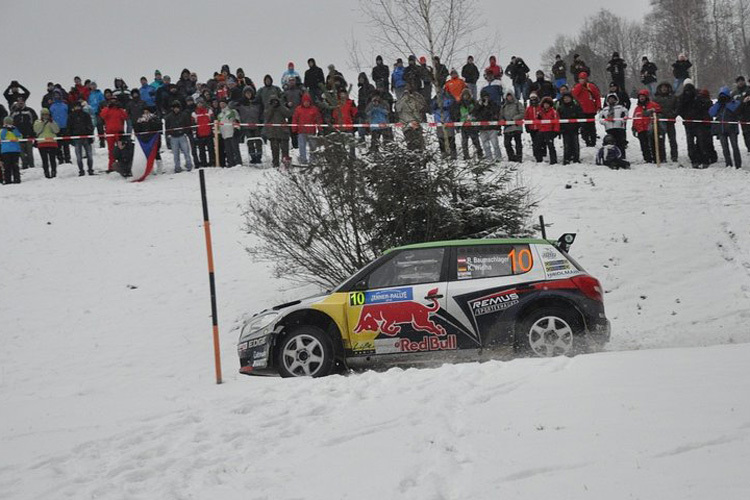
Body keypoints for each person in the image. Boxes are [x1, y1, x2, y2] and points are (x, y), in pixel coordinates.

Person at [677, 83, 713, 168]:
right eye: (686, 91)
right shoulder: (682, 99)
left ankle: (704, 160)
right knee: (691, 144)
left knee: (701, 142)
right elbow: (679, 110)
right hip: (689, 124)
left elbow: (707, 105)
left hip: (698, 123)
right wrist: (685, 117)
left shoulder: (698, 98)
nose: (688, 93)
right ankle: (694, 160)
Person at [709, 87, 742, 169]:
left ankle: (738, 164)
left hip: (732, 129)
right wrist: (718, 103)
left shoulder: (734, 102)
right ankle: (728, 164)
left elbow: (736, 109)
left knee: (735, 146)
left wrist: (728, 103)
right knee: (725, 148)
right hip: (721, 129)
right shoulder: (718, 104)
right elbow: (711, 113)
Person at [571, 72, 601, 147]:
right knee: (583, 127)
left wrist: (598, 106)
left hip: (591, 110)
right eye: (580, 79)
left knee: (591, 127)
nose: (581, 80)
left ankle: (593, 141)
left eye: (583, 79)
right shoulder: (577, 87)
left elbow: (597, 96)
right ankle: (586, 140)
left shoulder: (591, 86)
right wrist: (580, 86)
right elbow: (573, 95)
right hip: (581, 111)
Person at [452, 88, 483, 160]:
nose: (465, 96)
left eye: (467, 95)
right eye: (464, 95)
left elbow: (478, 112)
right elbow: (457, 114)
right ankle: (466, 155)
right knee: (464, 142)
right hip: (463, 124)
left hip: (472, 124)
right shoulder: (459, 104)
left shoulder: (474, 103)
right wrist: (457, 125)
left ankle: (480, 154)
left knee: (475, 141)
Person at [632, 89, 662, 164]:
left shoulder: (652, 105)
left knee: (653, 144)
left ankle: (656, 158)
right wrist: (634, 127)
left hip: (650, 128)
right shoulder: (637, 108)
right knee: (643, 145)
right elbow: (635, 118)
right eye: (640, 96)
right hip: (640, 129)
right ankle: (647, 159)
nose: (641, 98)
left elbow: (659, 111)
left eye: (643, 96)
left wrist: (652, 111)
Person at [236, 87, 263, 164]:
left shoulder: (257, 102)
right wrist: (237, 101)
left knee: (258, 142)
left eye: (249, 93)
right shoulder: (241, 104)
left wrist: (261, 121)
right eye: (246, 93)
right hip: (246, 126)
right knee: (250, 143)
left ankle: (259, 156)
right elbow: (231, 106)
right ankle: (253, 157)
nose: (248, 94)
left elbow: (261, 112)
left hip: (256, 124)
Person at [292, 93, 323, 163]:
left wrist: (320, 128)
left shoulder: (314, 109)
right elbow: (295, 119)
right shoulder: (298, 109)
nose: (306, 103)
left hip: (311, 131)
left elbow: (318, 119)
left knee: (313, 147)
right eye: (305, 102)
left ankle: (313, 160)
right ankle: (303, 160)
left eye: (308, 102)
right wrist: (294, 129)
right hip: (301, 131)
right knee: (302, 147)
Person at [164, 100, 194, 172]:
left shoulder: (184, 115)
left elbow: (187, 125)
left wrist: (186, 132)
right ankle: (177, 167)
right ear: (172, 108)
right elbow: (167, 127)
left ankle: (189, 165)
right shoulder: (168, 117)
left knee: (186, 151)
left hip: (182, 136)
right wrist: (168, 135)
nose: (176, 109)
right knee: (175, 153)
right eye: (174, 107)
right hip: (173, 137)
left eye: (177, 107)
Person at [395, 85, 427, 150]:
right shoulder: (400, 101)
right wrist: (404, 99)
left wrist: (416, 98)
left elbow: (422, 107)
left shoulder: (415, 100)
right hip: (406, 125)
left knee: (420, 142)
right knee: (411, 143)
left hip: (416, 124)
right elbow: (398, 108)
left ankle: (422, 155)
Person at [653, 82, 679, 162]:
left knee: (672, 140)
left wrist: (673, 115)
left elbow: (677, 108)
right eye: (662, 87)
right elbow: (653, 109)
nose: (664, 89)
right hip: (660, 122)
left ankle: (674, 156)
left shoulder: (673, 98)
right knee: (661, 140)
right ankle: (662, 157)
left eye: (665, 87)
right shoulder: (656, 99)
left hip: (670, 121)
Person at [264, 95, 292, 168]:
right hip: (273, 132)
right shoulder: (268, 109)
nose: (275, 103)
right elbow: (267, 117)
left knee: (285, 149)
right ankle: (275, 164)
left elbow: (288, 114)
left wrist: (280, 106)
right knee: (274, 150)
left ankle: (286, 163)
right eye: (273, 101)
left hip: (283, 132)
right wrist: (271, 108)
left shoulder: (282, 107)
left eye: (276, 101)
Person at [99, 99, 128, 171]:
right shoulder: (106, 109)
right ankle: (111, 166)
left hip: (119, 132)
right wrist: (108, 108)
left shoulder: (120, 110)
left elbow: (125, 116)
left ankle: (122, 165)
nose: (113, 103)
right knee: (111, 150)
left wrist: (120, 108)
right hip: (110, 133)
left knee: (121, 149)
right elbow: (102, 115)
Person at [597, 93, 628, 159]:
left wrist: (623, 120)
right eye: (610, 99)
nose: (611, 100)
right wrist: (605, 122)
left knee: (620, 143)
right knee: (610, 143)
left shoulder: (620, 107)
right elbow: (600, 118)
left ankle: (622, 156)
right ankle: (611, 155)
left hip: (619, 127)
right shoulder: (605, 109)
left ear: (616, 99)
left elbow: (626, 113)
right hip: (609, 128)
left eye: (613, 99)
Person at [134, 108, 163, 175]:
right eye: (144, 112)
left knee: (157, 154)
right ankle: (150, 169)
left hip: (155, 139)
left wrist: (151, 121)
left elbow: (158, 127)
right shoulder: (140, 120)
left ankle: (159, 169)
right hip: (146, 140)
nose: (146, 113)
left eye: (147, 112)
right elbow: (137, 130)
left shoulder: (155, 118)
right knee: (148, 155)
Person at [68, 101, 95, 176]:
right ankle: (81, 170)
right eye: (76, 106)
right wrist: (71, 138)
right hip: (76, 138)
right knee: (79, 156)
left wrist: (90, 135)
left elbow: (90, 126)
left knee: (89, 155)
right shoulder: (71, 116)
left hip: (86, 137)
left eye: (78, 106)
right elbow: (69, 127)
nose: (77, 108)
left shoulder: (86, 115)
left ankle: (90, 169)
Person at [10, 99, 37, 169]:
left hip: (28, 135)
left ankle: (32, 166)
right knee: (21, 153)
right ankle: (24, 166)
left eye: (22, 102)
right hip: (18, 136)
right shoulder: (13, 112)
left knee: (29, 152)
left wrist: (33, 133)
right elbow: (11, 124)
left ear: (24, 102)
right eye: (19, 102)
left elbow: (34, 121)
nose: (20, 103)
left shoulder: (30, 111)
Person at [33, 109, 60, 178]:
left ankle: (54, 172)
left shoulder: (53, 122)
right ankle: (46, 173)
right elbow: (37, 130)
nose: (45, 116)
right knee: (44, 160)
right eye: (44, 114)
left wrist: (51, 123)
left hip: (52, 142)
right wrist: (42, 122)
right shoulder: (37, 122)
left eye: (47, 114)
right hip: (42, 143)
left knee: (52, 159)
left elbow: (56, 130)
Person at [475, 89, 501, 162]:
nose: (485, 98)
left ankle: (498, 157)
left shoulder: (493, 104)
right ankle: (489, 158)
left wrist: (487, 106)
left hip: (492, 127)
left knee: (495, 144)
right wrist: (479, 105)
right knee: (486, 145)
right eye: (484, 97)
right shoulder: (478, 104)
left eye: (487, 97)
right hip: (482, 128)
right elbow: (474, 113)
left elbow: (494, 112)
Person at [558, 93, 582, 164]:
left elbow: (580, 117)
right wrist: (560, 128)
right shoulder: (560, 108)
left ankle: (576, 158)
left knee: (575, 144)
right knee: (566, 145)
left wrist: (580, 126)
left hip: (574, 128)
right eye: (565, 98)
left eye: (568, 98)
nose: (566, 99)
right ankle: (566, 158)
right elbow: (558, 118)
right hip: (565, 129)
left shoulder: (576, 107)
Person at [431, 92, 457, 159]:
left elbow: (453, 104)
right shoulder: (435, 98)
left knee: (451, 137)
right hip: (438, 120)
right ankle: (443, 152)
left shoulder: (449, 97)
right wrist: (435, 105)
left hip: (448, 120)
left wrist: (446, 106)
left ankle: (453, 152)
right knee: (441, 138)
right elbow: (431, 109)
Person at [500, 91, 524, 162]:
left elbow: (522, 113)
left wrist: (514, 119)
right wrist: (502, 120)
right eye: (508, 96)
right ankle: (511, 157)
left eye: (510, 96)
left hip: (516, 126)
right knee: (507, 143)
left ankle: (519, 157)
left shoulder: (518, 104)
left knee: (518, 143)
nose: (509, 97)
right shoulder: (504, 106)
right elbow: (501, 115)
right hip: (507, 127)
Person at [192, 98, 215, 167]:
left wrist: (212, 130)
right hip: (200, 134)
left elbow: (212, 121)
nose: (200, 104)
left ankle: (212, 161)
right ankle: (203, 162)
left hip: (209, 133)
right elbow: (194, 124)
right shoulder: (194, 113)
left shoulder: (209, 111)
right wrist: (195, 133)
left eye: (201, 103)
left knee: (211, 149)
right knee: (201, 151)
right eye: (198, 103)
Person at [217, 100, 241, 167]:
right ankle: (231, 163)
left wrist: (236, 129)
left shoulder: (232, 111)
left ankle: (238, 162)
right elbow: (218, 125)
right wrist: (219, 133)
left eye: (223, 103)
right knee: (228, 150)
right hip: (224, 134)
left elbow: (237, 120)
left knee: (235, 149)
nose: (222, 105)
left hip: (232, 132)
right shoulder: (220, 115)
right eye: (220, 104)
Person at [49, 91, 71, 164]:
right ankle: (60, 159)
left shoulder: (65, 105)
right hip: (56, 128)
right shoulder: (52, 106)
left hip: (64, 127)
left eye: (58, 95)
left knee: (66, 144)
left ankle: (67, 158)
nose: (56, 96)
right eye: (55, 95)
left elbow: (68, 115)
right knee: (58, 145)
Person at [537, 97, 560, 164]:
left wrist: (556, 131)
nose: (546, 105)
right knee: (539, 145)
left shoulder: (553, 112)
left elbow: (556, 122)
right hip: (541, 131)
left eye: (547, 104)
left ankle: (553, 160)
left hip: (549, 131)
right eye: (545, 104)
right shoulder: (540, 112)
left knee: (551, 146)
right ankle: (539, 159)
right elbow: (536, 121)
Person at [0, 116, 23, 184]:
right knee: (7, 166)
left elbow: (20, 136)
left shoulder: (15, 129)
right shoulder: (2, 130)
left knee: (15, 165)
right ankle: (8, 180)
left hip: (15, 150)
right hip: (6, 151)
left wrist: (13, 130)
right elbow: (2, 137)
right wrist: (5, 129)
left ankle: (17, 179)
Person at [731, 76, 750, 153]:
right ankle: (749, 147)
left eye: (742, 81)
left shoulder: (748, 89)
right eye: (739, 81)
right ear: (736, 83)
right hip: (741, 116)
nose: (741, 82)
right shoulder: (734, 93)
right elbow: (733, 105)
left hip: (749, 113)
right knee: (745, 133)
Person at [524, 93, 544, 161]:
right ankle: (536, 153)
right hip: (532, 127)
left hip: (540, 127)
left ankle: (540, 155)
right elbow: (526, 117)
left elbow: (544, 116)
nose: (533, 100)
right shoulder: (528, 108)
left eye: (534, 98)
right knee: (534, 141)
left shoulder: (540, 107)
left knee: (539, 141)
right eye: (531, 98)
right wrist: (526, 126)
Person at [87, 82, 106, 147]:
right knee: (91, 127)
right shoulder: (89, 94)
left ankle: (102, 141)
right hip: (91, 113)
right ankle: (91, 141)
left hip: (98, 112)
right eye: (92, 85)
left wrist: (100, 109)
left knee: (100, 126)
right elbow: (88, 103)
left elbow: (102, 102)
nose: (93, 87)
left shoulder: (100, 93)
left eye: (94, 85)